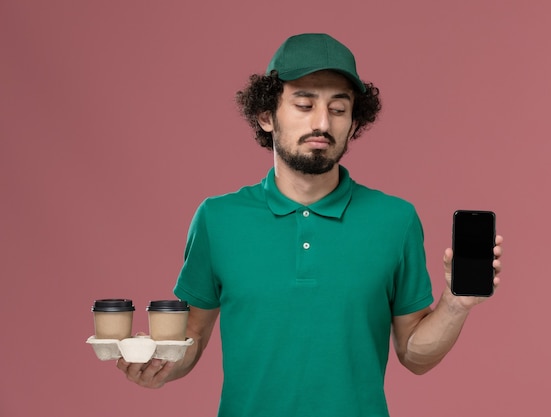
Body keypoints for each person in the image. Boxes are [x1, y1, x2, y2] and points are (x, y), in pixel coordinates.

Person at [117, 33, 503, 416]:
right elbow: (193, 338)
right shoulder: (217, 219)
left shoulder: (395, 220)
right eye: (304, 104)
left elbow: (415, 355)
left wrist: (454, 305)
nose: (322, 123)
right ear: (266, 116)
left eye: (338, 109)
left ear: (354, 124)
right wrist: (160, 366)